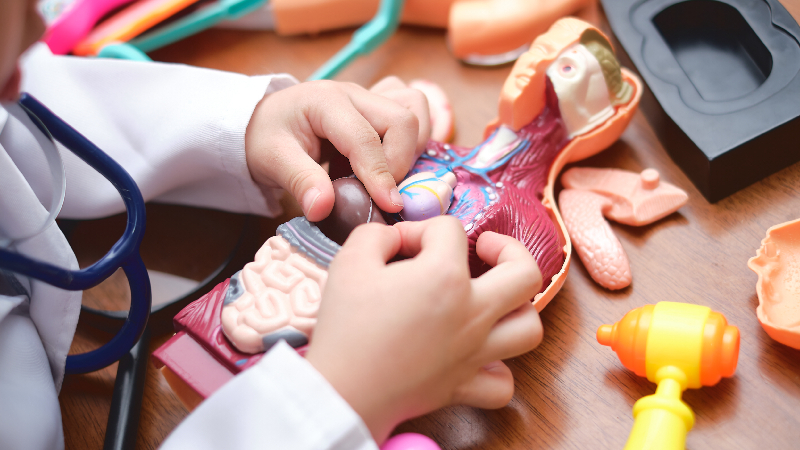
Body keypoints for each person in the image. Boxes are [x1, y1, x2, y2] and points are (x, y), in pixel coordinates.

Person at [0, 1, 545, 449]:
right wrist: (334, 398)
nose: (43, 24)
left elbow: (30, 105)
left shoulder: (16, 66)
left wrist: (244, 123)